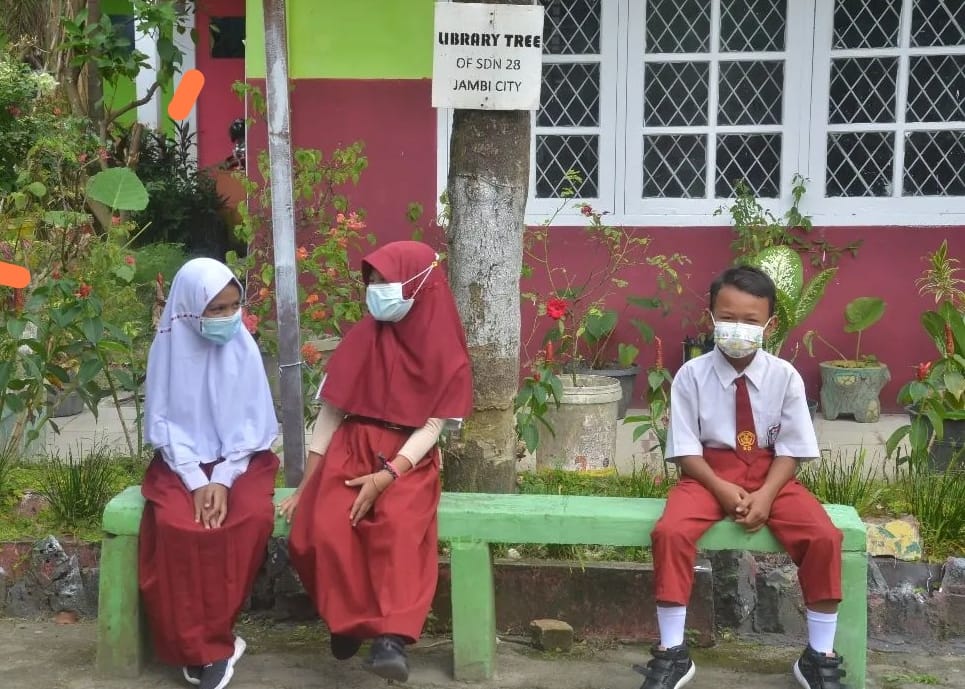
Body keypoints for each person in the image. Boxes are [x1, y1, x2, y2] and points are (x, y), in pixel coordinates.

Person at [637, 266, 846, 689]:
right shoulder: (691, 376)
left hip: (772, 475)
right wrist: (718, 485)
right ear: (711, 317)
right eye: (727, 317)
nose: (738, 327)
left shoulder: (784, 376)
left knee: (824, 536)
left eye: (750, 321)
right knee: (670, 531)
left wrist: (767, 495)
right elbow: (684, 449)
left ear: (769, 325)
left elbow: (792, 449)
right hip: (706, 475)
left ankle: (818, 654)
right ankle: (673, 651)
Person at [278, 240, 473, 683]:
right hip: (351, 447)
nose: (377, 290)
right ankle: (346, 621)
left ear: (418, 284)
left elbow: (433, 426)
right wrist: (305, 486)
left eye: (387, 282)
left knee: (398, 530)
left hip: (407, 458)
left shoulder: (446, 348)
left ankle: (391, 639)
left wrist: (388, 476)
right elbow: (331, 412)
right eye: (373, 281)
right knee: (321, 527)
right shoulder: (363, 336)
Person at [141, 257, 279, 689]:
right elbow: (165, 427)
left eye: (233, 306)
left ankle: (210, 644)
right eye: (215, 309)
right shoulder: (167, 349)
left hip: (242, 461)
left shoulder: (243, 346)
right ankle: (204, 647)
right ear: (188, 309)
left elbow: (252, 428)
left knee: (247, 519)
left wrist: (222, 478)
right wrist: (198, 481)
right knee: (177, 526)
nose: (226, 318)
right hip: (180, 464)